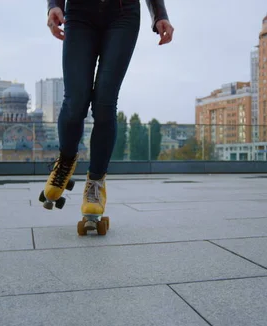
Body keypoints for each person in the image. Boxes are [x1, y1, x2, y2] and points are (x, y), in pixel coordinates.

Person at [40, 0, 174, 231]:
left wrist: (159, 14)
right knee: (76, 100)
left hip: (123, 15)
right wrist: (54, 5)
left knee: (104, 103)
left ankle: (95, 182)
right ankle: (65, 162)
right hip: (80, 14)